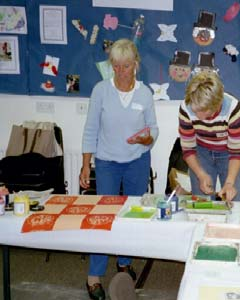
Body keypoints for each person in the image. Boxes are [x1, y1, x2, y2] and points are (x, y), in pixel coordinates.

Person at [80, 38, 159, 300]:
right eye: (115, 66)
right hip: (107, 163)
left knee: (132, 215)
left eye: (125, 66)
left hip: (137, 161)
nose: (120, 71)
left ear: (135, 65)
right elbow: (91, 129)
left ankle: (124, 262)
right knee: (103, 219)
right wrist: (85, 165)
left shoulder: (145, 93)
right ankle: (94, 276)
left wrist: (145, 138)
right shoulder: (100, 90)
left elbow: (153, 130)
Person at [178, 71, 240, 204]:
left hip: (230, 153)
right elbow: (188, 148)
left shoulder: (233, 108)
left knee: (237, 202)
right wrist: (200, 174)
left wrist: (229, 182)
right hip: (201, 151)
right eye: (195, 109)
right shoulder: (186, 108)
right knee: (201, 203)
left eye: (202, 111)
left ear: (216, 105)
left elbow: (236, 152)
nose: (197, 115)